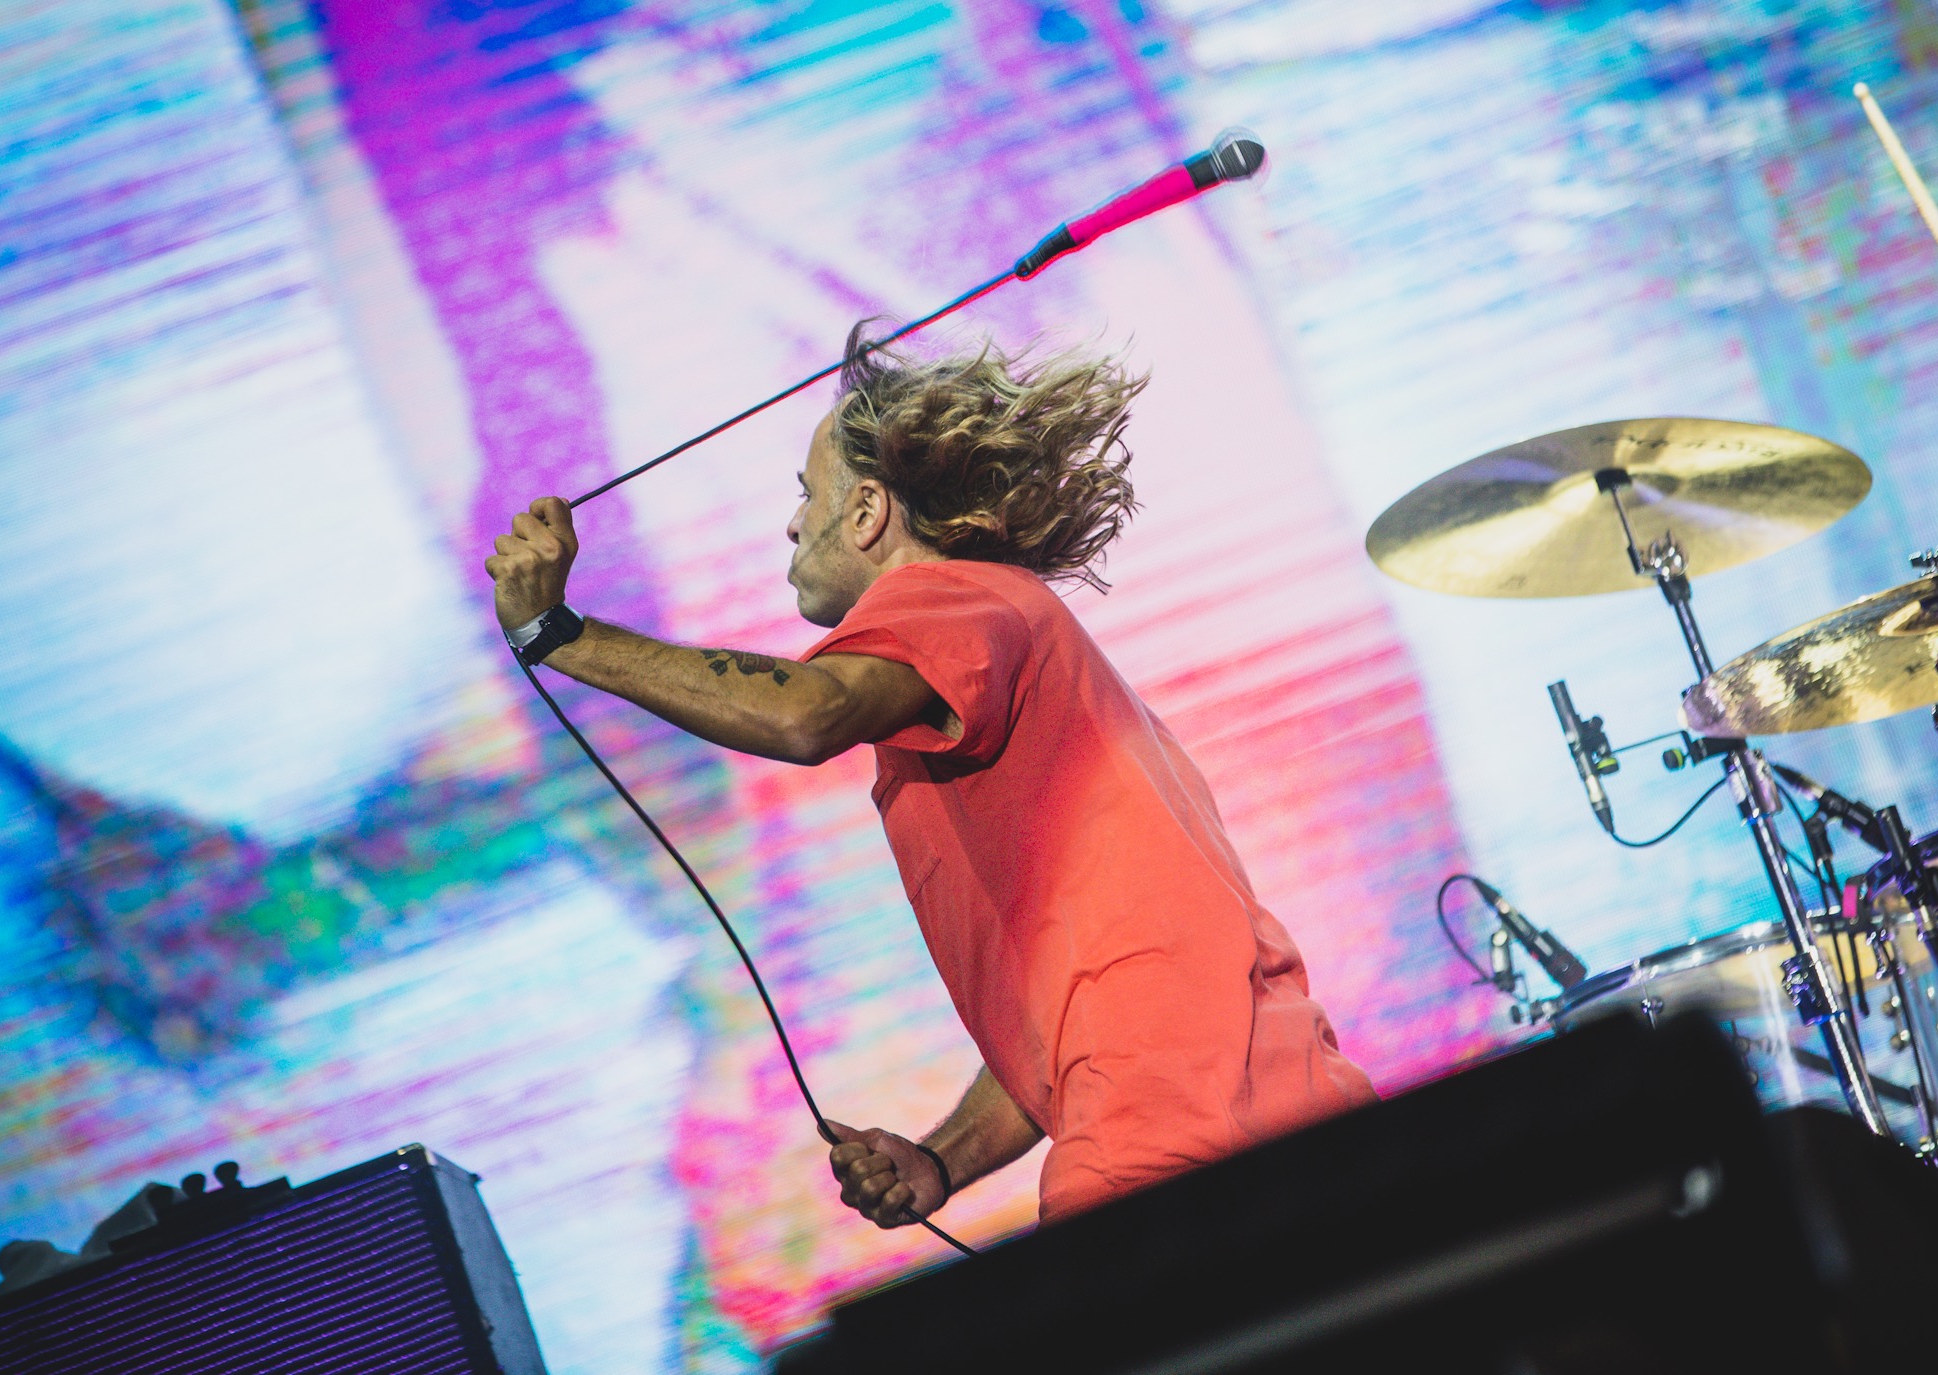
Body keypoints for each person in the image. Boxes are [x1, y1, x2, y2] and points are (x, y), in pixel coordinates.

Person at [484, 328, 1378, 1228]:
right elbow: (1072, 1016)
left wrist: (561, 634)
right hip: (1277, 1101)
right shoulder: (1011, 645)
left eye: (807, 494)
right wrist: (941, 1160)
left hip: (1169, 1137)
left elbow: (806, 713)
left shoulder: (952, 595)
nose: (792, 523)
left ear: (867, 512)